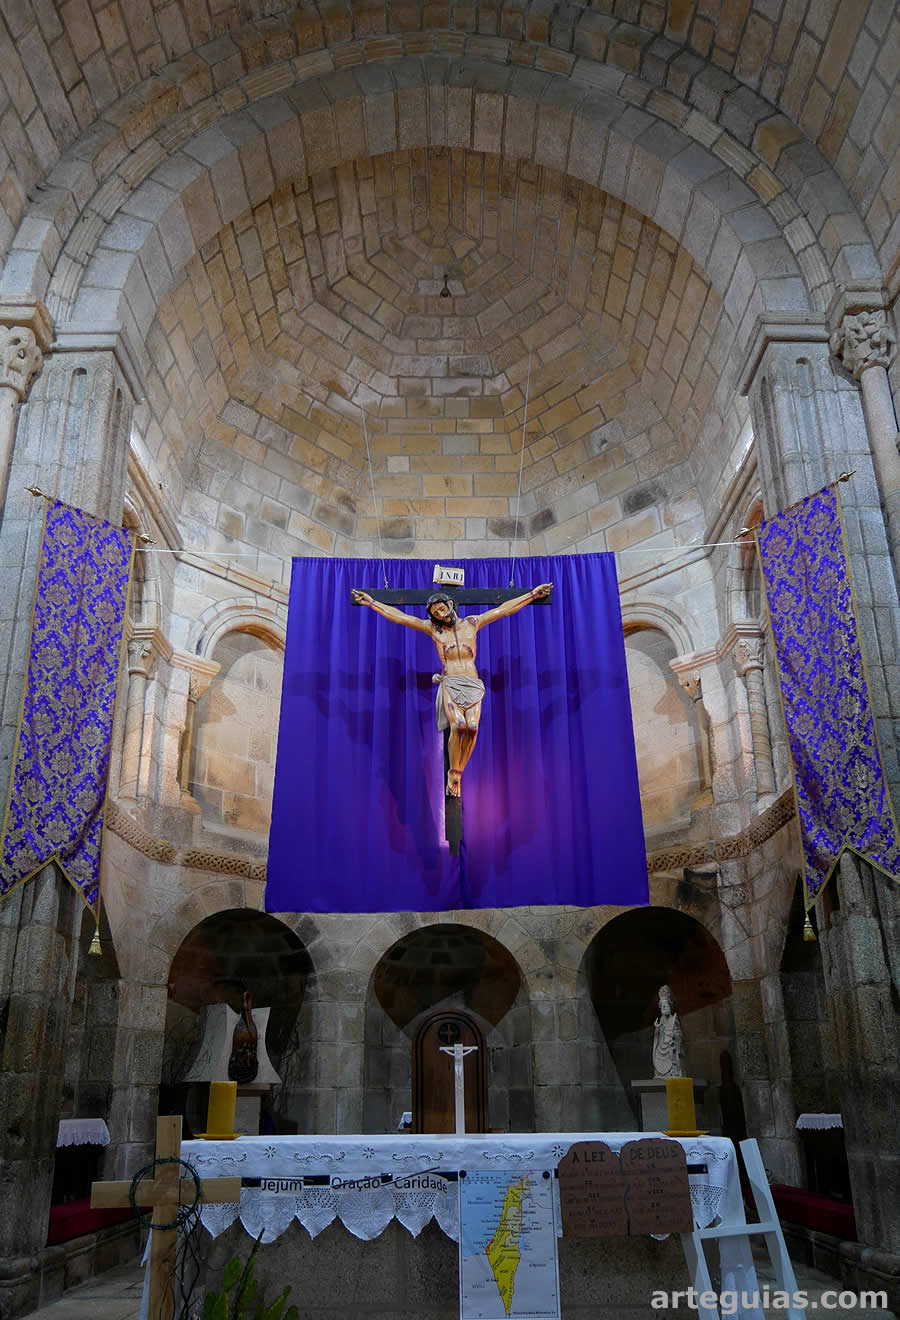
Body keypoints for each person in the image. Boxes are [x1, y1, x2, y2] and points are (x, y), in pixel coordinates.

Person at [351, 583, 552, 797]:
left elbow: (503, 610)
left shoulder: (472, 623)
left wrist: (531, 595)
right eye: (436, 612)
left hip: (472, 683)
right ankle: (453, 771)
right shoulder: (433, 630)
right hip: (451, 683)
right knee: (458, 725)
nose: (440, 613)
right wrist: (371, 602)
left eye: (442, 608)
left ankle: (458, 771)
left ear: (450, 604)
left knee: (473, 727)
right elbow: (401, 618)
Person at [652, 984, 686, 1078]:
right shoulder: (661, 1020)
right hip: (662, 1047)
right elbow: (658, 1037)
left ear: (670, 1005)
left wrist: (674, 1037)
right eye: (662, 1006)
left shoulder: (675, 1019)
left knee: (673, 1053)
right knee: (657, 1053)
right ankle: (660, 1073)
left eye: (665, 1006)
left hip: (671, 1047)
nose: (663, 1008)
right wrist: (658, 1028)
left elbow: (680, 1035)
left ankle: (673, 1070)